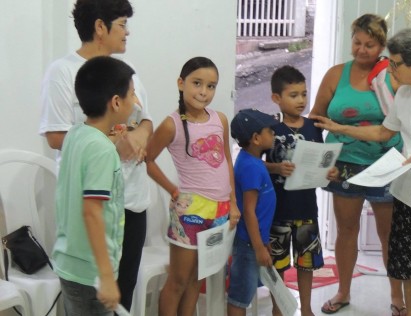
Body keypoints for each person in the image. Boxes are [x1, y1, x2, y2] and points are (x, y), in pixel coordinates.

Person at [313, 27, 411, 316]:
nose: (390, 68)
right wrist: (340, 128)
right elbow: (383, 132)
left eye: (395, 63)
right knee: (409, 263)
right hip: (406, 191)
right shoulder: (404, 94)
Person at [38, 0, 152, 311]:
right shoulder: (63, 72)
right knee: (100, 295)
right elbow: (55, 135)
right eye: (122, 25)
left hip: (130, 200)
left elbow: (145, 120)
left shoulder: (127, 73)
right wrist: (111, 141)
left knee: (121, 291)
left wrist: (139, 134)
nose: (127, 32)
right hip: (95, 204)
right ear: (100, 27)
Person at [309, 13, 406, 315]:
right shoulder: (336, 74)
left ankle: (397, 297)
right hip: (345, 163)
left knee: (389, 234)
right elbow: (316, 119)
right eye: (357, 43)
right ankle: (343, 291)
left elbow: (405, 119)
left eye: (370, 45)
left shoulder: (392, 74)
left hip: (386, 162)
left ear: (382, 46)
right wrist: (311, 160)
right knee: (346, 230)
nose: (362, 50)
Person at [145, 57, 240, 316]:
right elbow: (148, 160)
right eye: (197, 83)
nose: (204, 92)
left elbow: (227, 162)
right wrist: (173, 190)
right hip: (190, 212)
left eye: (211, 86)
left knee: (197, 280)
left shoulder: (220, 119)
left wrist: (232, 203)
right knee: (177, 281)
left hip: (219, 211)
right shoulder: (171, 124)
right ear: (181, 83)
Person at [52, 56, 136, 314]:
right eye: (132, 94)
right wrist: (107, 276)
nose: (136, 101)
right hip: (92, 274)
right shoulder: (100, 149)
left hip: (71, 264)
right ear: (116, 102)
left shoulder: (77, 134)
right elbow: (92, 212)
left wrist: (112, 145)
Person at [265, 65, 339, 316]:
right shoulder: (269, 129)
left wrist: (329, 172)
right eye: (293, 95)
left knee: (306, 265)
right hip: (277, 211)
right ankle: (279, 309)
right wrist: (275, 167)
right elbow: (253, 164)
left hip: (307, 209)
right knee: (278, 266)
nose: (301, 100)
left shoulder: (314, 128)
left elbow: (321, 163)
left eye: (303, 94)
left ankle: (306, 309)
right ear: (276, 98)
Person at [227, 108, 279, 316]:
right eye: (269, 130)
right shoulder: (251, 167)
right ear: (256, 138)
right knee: (239, 298)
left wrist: (262, 241)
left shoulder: (251, 161)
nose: (273, 134)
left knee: (245, 294)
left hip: (253, 241)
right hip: (248, 244)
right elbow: (249, 211)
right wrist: (258, 248)